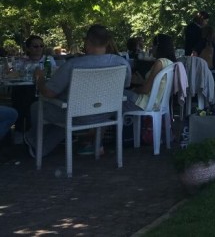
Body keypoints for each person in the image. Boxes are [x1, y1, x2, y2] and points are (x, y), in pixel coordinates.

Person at [24, 25, 131, 158]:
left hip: (76, 115)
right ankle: (40, 147)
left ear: (88, 42)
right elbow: (125, 86)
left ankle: (34, 141)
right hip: (106, 113)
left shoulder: (74, 64)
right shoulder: (122, 63)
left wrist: (39, 78)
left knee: (37, 107)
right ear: (107, 42)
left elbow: (49, 92)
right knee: (64, 113)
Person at [11, 35, 58, 144]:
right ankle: (21, 129)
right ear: (28, 48)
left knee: (24, 95)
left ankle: (25, 130)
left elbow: (52, 76)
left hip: (43, 90)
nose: (39, 48)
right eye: (35, 46)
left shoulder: (48, 60)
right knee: (19, 92)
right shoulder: (22, 61)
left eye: (41, 46)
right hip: (26, 89)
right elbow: (15, 75)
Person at [125, 34, 175, 111]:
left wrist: (134, 90)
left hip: (145, 103)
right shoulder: (170, 63)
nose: (151, 48)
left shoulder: (159, 63)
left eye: (152, 45)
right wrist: (141, 81)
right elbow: (157, 85)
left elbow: (145, 90)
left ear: (157, 46)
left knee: (118, 94)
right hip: (157, 103)